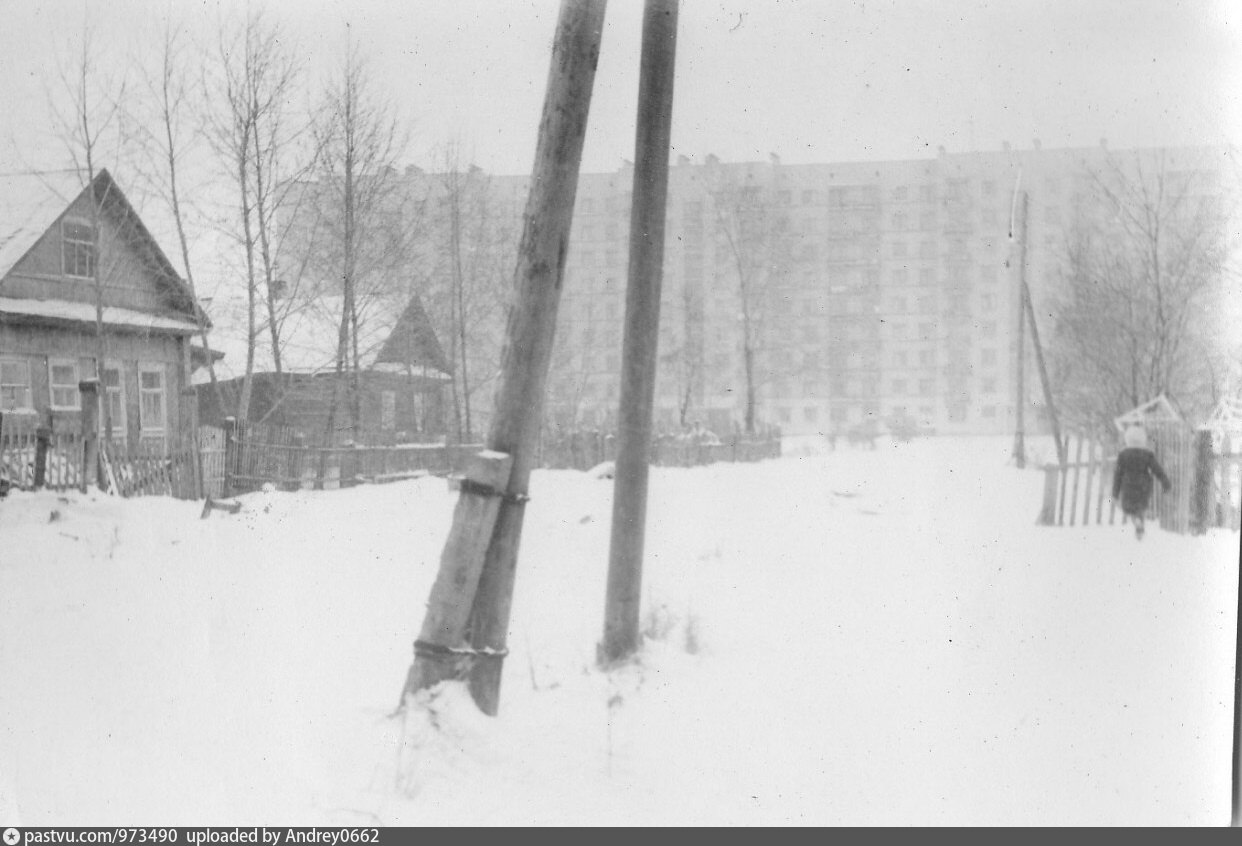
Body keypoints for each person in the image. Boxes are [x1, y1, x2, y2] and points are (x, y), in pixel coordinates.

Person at [1111, 424, 1171, 540]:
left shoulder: (1123, 455)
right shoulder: (1148, 454)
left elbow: (1117, 475)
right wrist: (1165, 482)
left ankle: (1137, 522)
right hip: (1144, 486)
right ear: (1143, 439)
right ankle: (1140, 525)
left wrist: (1115, 493)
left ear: (1127, 439)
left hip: (1128, 485)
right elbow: (1157, 469)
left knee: (1129, 508)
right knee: (1141, 507)